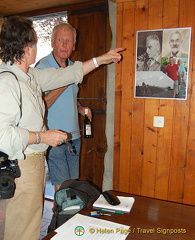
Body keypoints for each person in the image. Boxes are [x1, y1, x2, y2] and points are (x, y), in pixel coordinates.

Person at [0, 16, 124, 240]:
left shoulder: (29, 76)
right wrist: (42, 136)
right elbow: (2, 135)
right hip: (23, 164)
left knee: (30, 221)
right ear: (27, 48)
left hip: (34, 162)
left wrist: (100, 60)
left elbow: (66, 74)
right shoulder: (8, 82)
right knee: (22, 225)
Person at [35, 23, 92, 192]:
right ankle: (59, 218)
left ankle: (63, 217)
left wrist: (81, 109)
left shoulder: (75, 68)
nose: (65, 44)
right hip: (54, 137)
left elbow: (71, 98)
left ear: (74, 45)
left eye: (69, 40)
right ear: (53, 42)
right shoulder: (42, 67)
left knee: (72, 185)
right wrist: (64, 80)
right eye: (60, 40)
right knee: (62, 189)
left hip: (74, 137)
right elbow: (40, 105)